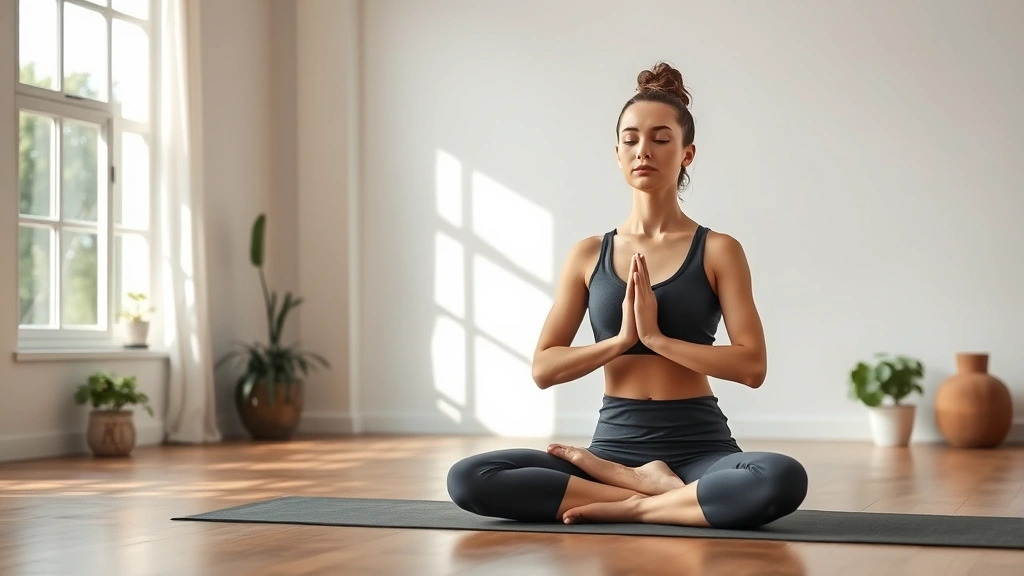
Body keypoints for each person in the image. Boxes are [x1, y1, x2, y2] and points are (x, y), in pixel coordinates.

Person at [446, 62, 808, 530]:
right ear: (617, 152)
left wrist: (656, 339)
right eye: (631, 139)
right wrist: (619, 341)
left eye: (661, 139)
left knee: (779, 478)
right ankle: (650, 488)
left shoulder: (719, 250)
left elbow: (752, 366)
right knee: (471, 477)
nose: (644, 150)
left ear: (687, 153)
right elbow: (544, 368)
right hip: (613, 446)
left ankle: (635, 500)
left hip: (700, 448)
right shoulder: (587, 254)